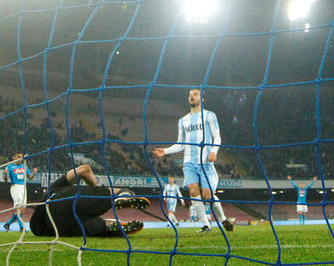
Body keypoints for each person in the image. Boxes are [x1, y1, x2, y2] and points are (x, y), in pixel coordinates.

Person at [152, 88, 234, 234]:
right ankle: (206, 225)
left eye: (195, 94)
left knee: (208, 195)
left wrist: (214, 152)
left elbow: (217, 137)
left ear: (202, 99)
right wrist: (165, 151)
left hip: (205, 162)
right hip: (189, 162)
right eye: (190, 95)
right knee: (193, 191)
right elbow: (180, 144)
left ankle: (223, 219)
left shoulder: (209, 116)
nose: (192, 96)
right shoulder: (183, 120)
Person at [29, 164, 149, 237]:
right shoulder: (56, 188)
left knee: (97, 225)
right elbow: (84, 169)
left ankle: (110, 226)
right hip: (68, 199)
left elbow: (36, 229)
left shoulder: (52, 190)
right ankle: (122, 196)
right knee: (114, 191)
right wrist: (96, 192)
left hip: (57, 226)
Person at [3, 153, 37, 231]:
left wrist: (34, 173)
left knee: (22, 210)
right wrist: (5, 174)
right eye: (18, 157)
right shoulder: (9, 167)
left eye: (21, 157)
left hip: (24, 188)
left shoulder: (24, 166)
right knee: (19, 208)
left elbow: (30, 178)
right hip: (16, 187)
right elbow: (6, 180)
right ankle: (22, 228)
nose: (20, 158)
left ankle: (7, 224)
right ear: (14, 157)